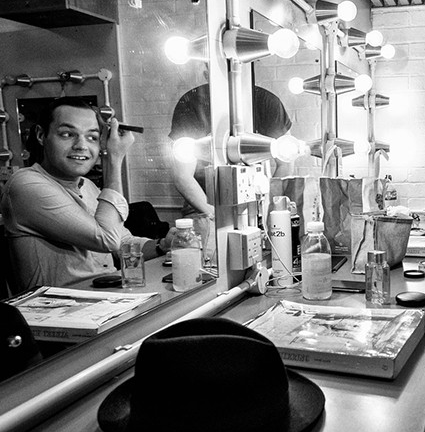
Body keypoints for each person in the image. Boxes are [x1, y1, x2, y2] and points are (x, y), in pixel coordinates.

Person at [0, 97, 171, 293]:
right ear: (41, 135)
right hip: (59, 312)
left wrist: (162, 245)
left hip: (107, 300)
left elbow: (123, 244)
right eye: (67, 134)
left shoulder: (87, 186)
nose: (81, 145)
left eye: (92, 137)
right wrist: (114, 160)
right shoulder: (25, 185)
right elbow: (107, 239)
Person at [168, 83, 293, 265]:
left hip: (258, 205)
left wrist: (266, 211)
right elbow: (183, 177)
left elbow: (286, 163)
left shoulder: (267, 103)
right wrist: (215, 215)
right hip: (204, 207)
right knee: (209, 258)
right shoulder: (193, 102)